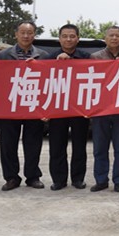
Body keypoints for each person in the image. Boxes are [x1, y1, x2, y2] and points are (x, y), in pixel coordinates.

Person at [0, 20, 49, 191]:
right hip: (10, 106)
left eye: (30, 32)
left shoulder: (43, 56)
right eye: (22, 32)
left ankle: (33, 176)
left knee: (33, 143)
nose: (26, 36)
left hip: (34, 105)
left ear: (34, 35)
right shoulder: (3, 55)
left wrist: (46, 108)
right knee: (8, 144)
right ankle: (11, 177)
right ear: (16, 34)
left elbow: (49, 83)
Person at [89, 26, 119, 193]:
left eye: (118, 35)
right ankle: (101, 180)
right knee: (99, 148)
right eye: (111, 35)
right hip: (101, 109)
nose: (114, 38)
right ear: (105, 38)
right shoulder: (95, 57)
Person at [46, 24, 91, 191]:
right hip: (57, 108)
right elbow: (43, 83)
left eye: (72, 36)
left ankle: (78, 179)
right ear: (59, 39)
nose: (68, 39)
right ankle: (59, 179)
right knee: (57, 145)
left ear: (78, 39)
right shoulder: (49, 58)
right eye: (64, 36)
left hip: (79, 108)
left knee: (79, 145)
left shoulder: (86, 57)